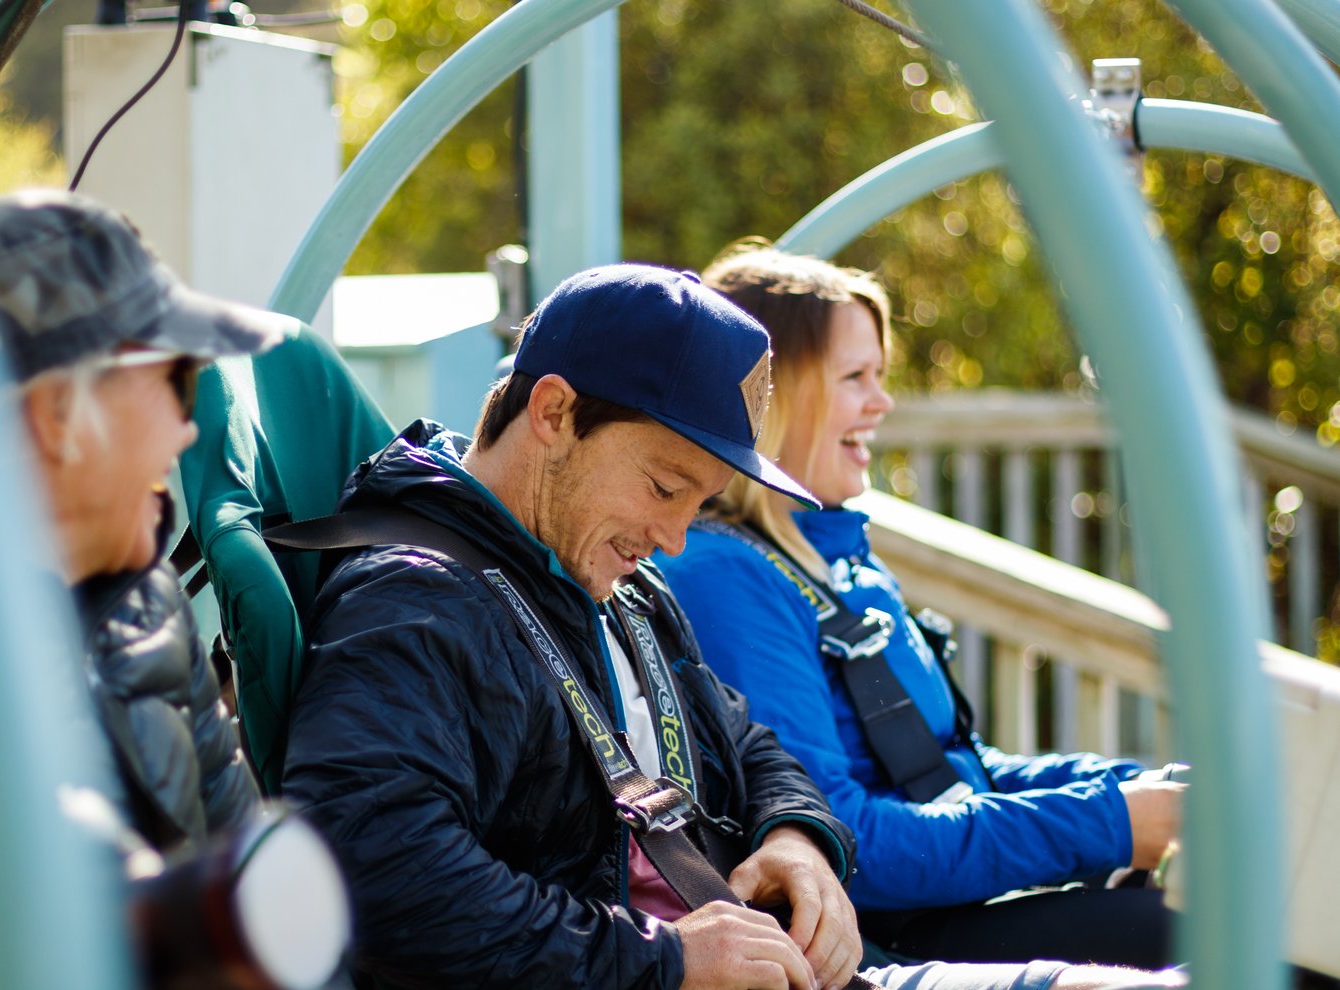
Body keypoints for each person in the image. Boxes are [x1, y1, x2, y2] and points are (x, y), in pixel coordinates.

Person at [280, 262, 1185, 990]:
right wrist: (661, 962)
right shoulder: (418, 598)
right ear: (554, 413)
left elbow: (747, 739)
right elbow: (371, 867)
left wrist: (799, 837)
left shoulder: (607, 580)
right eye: (665, 486)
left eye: (701, 501)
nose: (675, 536)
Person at [655, 243, 1184, 968]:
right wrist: (1107, 824)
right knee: (1217, 936)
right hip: (893, 936)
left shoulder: (830, 556)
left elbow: (951, 769)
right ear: (773, 398)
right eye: (855, 378)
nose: (883, 401)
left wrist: (1120, 790)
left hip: (953, 903)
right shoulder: (728, 575)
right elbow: (842, 837)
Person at [0, 189, 297, 850]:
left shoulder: (150, 605)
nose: (186, 433)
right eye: (176, 381)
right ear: (58, 413)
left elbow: (236, 869)